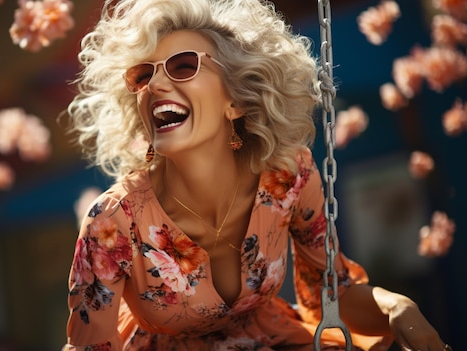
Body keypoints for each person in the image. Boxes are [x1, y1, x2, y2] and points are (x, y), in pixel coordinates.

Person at [61, 0, 448, 350]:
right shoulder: (112, 222)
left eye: (183, 65)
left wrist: (398, 306)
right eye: (143, 75)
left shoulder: (287, 176)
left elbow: (333, 297)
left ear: (235, 101)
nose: (156, 85)